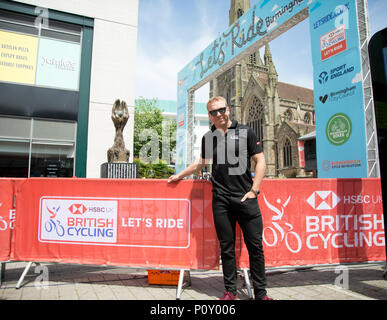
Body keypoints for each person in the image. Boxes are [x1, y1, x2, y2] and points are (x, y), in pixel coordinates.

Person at [168, 96, 272, 300]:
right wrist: (179, 175)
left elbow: (261, 161)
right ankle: (230, 292)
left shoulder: (246, 132)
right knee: (226, 248)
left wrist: (254, 190)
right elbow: (201, 164)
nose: (219, 114)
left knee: (256, 248)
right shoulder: (208, 137)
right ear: (209, 116)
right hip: (221, 200)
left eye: (221, 110)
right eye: (213, 112)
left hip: (246, 199)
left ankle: (261, 294)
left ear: (229, 109)